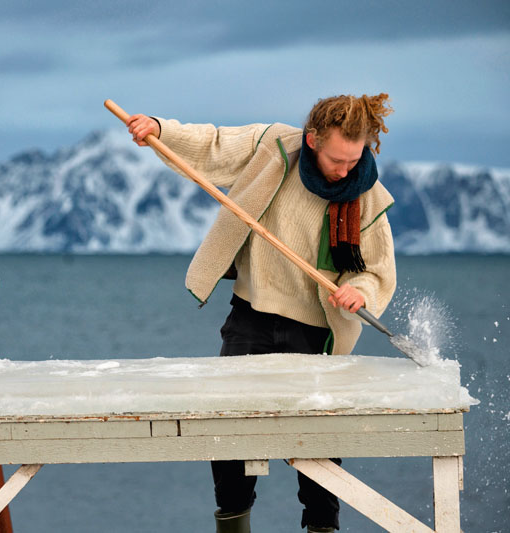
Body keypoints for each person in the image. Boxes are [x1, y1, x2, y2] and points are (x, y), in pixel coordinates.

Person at [125, 94, 397, 533]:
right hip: (251, 315)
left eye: (354, 158)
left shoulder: (366, 194)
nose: (345, 170)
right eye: (336, 159)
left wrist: (358, 292)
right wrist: (161, 129)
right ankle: (234, 523)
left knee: (319, 442)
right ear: (312, 140)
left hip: (316, 332)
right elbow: (213, 144)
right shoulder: (274, 147)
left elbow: (377, 270)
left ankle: (321, 528)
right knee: (228, 426)